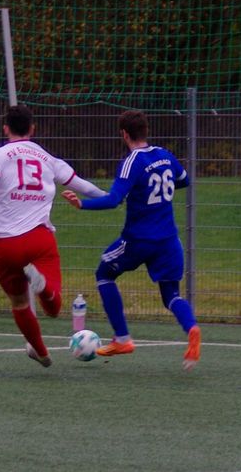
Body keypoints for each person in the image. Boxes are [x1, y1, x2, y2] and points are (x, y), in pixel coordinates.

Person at [0, 104, 107, 367]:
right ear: (32, 129)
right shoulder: (48, 159)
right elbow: (82, 185)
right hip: (39, 239)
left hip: (6, 244)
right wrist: (111, 199)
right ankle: (45, 290)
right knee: (53, 308)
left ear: (5, 129)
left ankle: (41, 352)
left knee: (19, 303)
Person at [61, 110, 201, 371]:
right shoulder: (164, 155)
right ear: (146, 131)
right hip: (169, 240)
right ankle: (191, 328)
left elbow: (114, 199)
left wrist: (82, 205)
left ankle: (122, 338)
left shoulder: (131, 161)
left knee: (104, 273)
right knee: (171, 295)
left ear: (124, 134)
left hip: (138, 240)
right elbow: (184, 180)